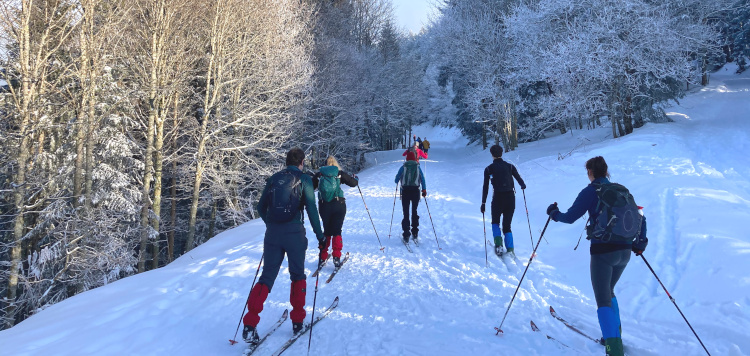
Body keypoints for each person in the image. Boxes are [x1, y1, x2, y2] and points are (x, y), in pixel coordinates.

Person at [545, 156, 648, 356]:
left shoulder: (591, 191)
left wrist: (553, 213)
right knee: (610, 290)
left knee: (603, 298)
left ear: (590, 172)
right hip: (625, 251)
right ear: (606, 171)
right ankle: (613, 337)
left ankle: (614, 349)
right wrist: (640, 243)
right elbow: (640, 216)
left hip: (603, 252)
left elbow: (569, 217)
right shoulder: (622, 190)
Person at [242, 148, 326, 344]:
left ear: (286, 161)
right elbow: (312, 209)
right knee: (297, 275)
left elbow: (261, 207)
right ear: (301, 162)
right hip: (295, 233)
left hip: (273, 233)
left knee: (266, 277)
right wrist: (321, 237)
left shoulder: (274, 178)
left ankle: (250, 324)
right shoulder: (304, 180)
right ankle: (297, 322)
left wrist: (271, 223)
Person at [312, 156, 359, 268]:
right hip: (339, 204)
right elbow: (353, 183)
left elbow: (311, 186)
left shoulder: (319, 175)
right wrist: (355, 178)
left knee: (327, 231)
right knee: (337, 230)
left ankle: (322, 256)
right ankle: (336, 257)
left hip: (324, 205)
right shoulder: (339, 173)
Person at [481, 144, 526, 256]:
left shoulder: (488, 169)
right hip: (510, 198)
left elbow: (485, 187)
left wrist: (483, 203)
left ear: (492, 154)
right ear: (501, 153)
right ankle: (510, 250)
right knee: (507, 225)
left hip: (497, 198)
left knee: (495, 221)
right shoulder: (510, 166)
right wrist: (522, 185)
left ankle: (498, 245)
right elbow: (520, 180)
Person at [395, 154, 427, 244]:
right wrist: (424, 189)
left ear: (407, 159)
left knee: (406, 212)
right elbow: (423, 179)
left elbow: (396, 180)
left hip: (405, 191)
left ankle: (406, 234)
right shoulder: (417, 167)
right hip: (415, 191)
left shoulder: (403, 167)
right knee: (414, 211)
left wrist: (398, 179)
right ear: (415, 159)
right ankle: (415, 232)